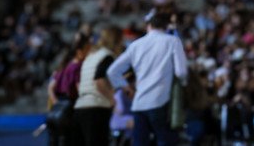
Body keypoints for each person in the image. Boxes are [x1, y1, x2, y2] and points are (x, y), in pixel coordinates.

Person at [107, 10, 188, 146]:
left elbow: (112, 71)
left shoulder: (135, 45)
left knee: (140, 143)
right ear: (167, 26)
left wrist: (126, 87)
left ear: (148, 26)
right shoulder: (173, 41)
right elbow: (181, 72)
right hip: (161, 101)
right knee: (165, 141)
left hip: (139, 103)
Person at [74, 26, 123, 146]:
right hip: (96, 108)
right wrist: (113, 100)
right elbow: (99, 80)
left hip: (80, 107)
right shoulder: (107, 56)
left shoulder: (92, 55)